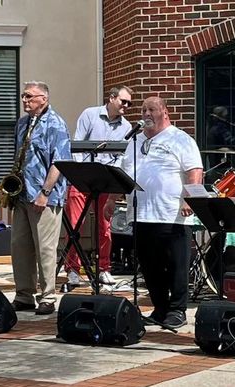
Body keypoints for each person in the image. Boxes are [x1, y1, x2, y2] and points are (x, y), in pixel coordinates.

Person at [121, 96, 204, 329]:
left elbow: (195, 171)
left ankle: (177, 310)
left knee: (176, 265)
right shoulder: (134, 142)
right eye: (144, 109)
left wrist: (190, 198)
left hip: (172, 215)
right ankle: (160, 308)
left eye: (152, 109)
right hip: (141, 214)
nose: (146, 113)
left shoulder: (180, 139)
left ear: (165, 112)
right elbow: (124, 172)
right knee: (149, 265)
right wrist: (110, 201)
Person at [9, 81, 72, 315]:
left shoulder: (55, 123)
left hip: (45, 196)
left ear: (43, 98)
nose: (25, 100)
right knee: (20, 246)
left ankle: (48, 296)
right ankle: (23, 294)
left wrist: (45, 193)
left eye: (29, 96)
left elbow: (60, 161)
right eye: (23, 96)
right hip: (22, 194)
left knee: (45, 248)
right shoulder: (23, 122)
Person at [65, 86, 134, 288]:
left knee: (105, 227)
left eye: (129, 103)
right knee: (75, 225)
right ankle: (73, 270)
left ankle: (104, 268)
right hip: (83, 176)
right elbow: (78, 144)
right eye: (124, 101)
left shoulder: (126, 126)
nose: (127, 106)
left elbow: (121, 158)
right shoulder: (90, 114)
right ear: (112, 98)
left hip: (105, 179)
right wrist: (80, 174)